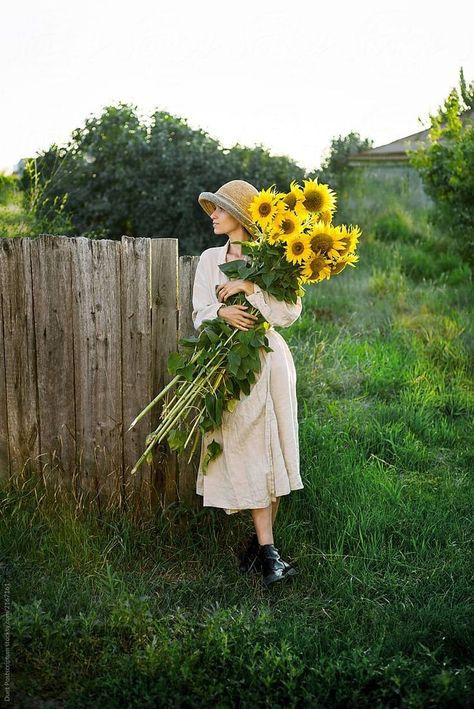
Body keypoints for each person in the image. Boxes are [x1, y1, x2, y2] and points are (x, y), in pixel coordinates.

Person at [193, 179, 304, 587]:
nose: (213, 216)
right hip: (228, 363)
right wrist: (222, 314)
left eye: (220, 209)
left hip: (269, 362)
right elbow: (198, 311)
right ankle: (267, 555)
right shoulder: (209, 259)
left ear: (240, 215)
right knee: (245, 447)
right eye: (213, 210)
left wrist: (249, 288)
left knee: (272, 446)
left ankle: (264, 553)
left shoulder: (273, 259)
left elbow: (289, 312)